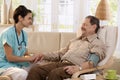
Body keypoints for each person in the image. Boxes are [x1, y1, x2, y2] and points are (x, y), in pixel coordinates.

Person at [26, 15, 106, 80]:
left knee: (55, 74)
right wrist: (42, 54)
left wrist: (79, 68)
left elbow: (92, 62)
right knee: (36, 70)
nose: (82, 27)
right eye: (82, 24)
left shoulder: (97, 43)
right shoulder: (75, 40)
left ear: (94, 27)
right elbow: (60, 54)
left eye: (85, 24)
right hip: (61, 63)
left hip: (74, 66)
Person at [0, 5, 39, 80]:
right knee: (22, 74)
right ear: (20, 18)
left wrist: (34, 57)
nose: (31, 22)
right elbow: (10, 58)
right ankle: (4, 77)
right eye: (29, 18)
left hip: (17, 64)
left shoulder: (24, 34)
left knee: (38, 68)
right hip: (5, 65)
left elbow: (25, 53)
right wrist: (29, 59)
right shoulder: (7, 33)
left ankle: (11, 77)